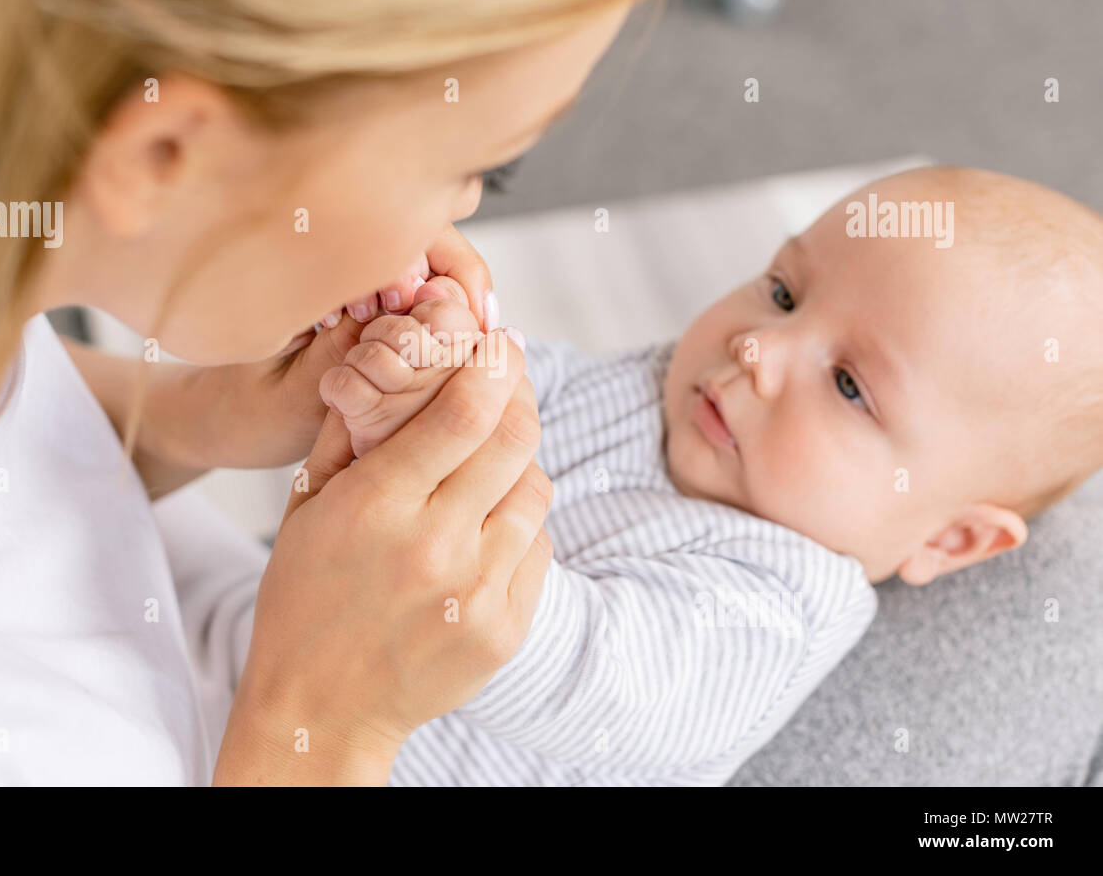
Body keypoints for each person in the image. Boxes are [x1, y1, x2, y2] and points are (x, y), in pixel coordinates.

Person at [0, 0, 684, 784]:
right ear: (162, 155)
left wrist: (200, 420)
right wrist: (323, 720)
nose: (462, 214)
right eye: (481, 169)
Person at [319, 167, 1103, 784]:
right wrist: (444, 346)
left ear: (953, 534)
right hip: (289, 638)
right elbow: (524, 387)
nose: (760, 349)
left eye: (850, 386)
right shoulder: (680, 389)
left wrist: (426, 458)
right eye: (785, 292)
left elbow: (580, 673)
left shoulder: (774, 605)